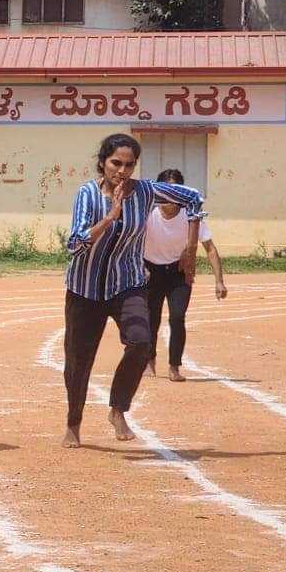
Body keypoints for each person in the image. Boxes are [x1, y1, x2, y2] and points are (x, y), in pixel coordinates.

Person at [61, 133, 205, 447]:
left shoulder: (146, 191)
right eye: (116, 163)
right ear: (103, 162)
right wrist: (111, 216)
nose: (122, 171)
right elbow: (76, 243)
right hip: (85, 290)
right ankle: (74, 423)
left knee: (142, 343)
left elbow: (193, 197)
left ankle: (118, 409)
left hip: (127, 284)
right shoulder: (87, 194)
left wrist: (190, 249)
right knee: (78, 362)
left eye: (129, 165)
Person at [144, 167, 228, 382]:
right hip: (150, 271)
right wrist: (138, 266)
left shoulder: (191, 218)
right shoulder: (147, 214)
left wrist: (219, 281)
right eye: (166, 191)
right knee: (151, 318)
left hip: (178, 272)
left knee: (177, 317)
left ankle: (174, 366)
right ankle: (149, 361)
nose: (170, 199)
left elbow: (210, 248)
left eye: (176, 192)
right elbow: (131, 242)